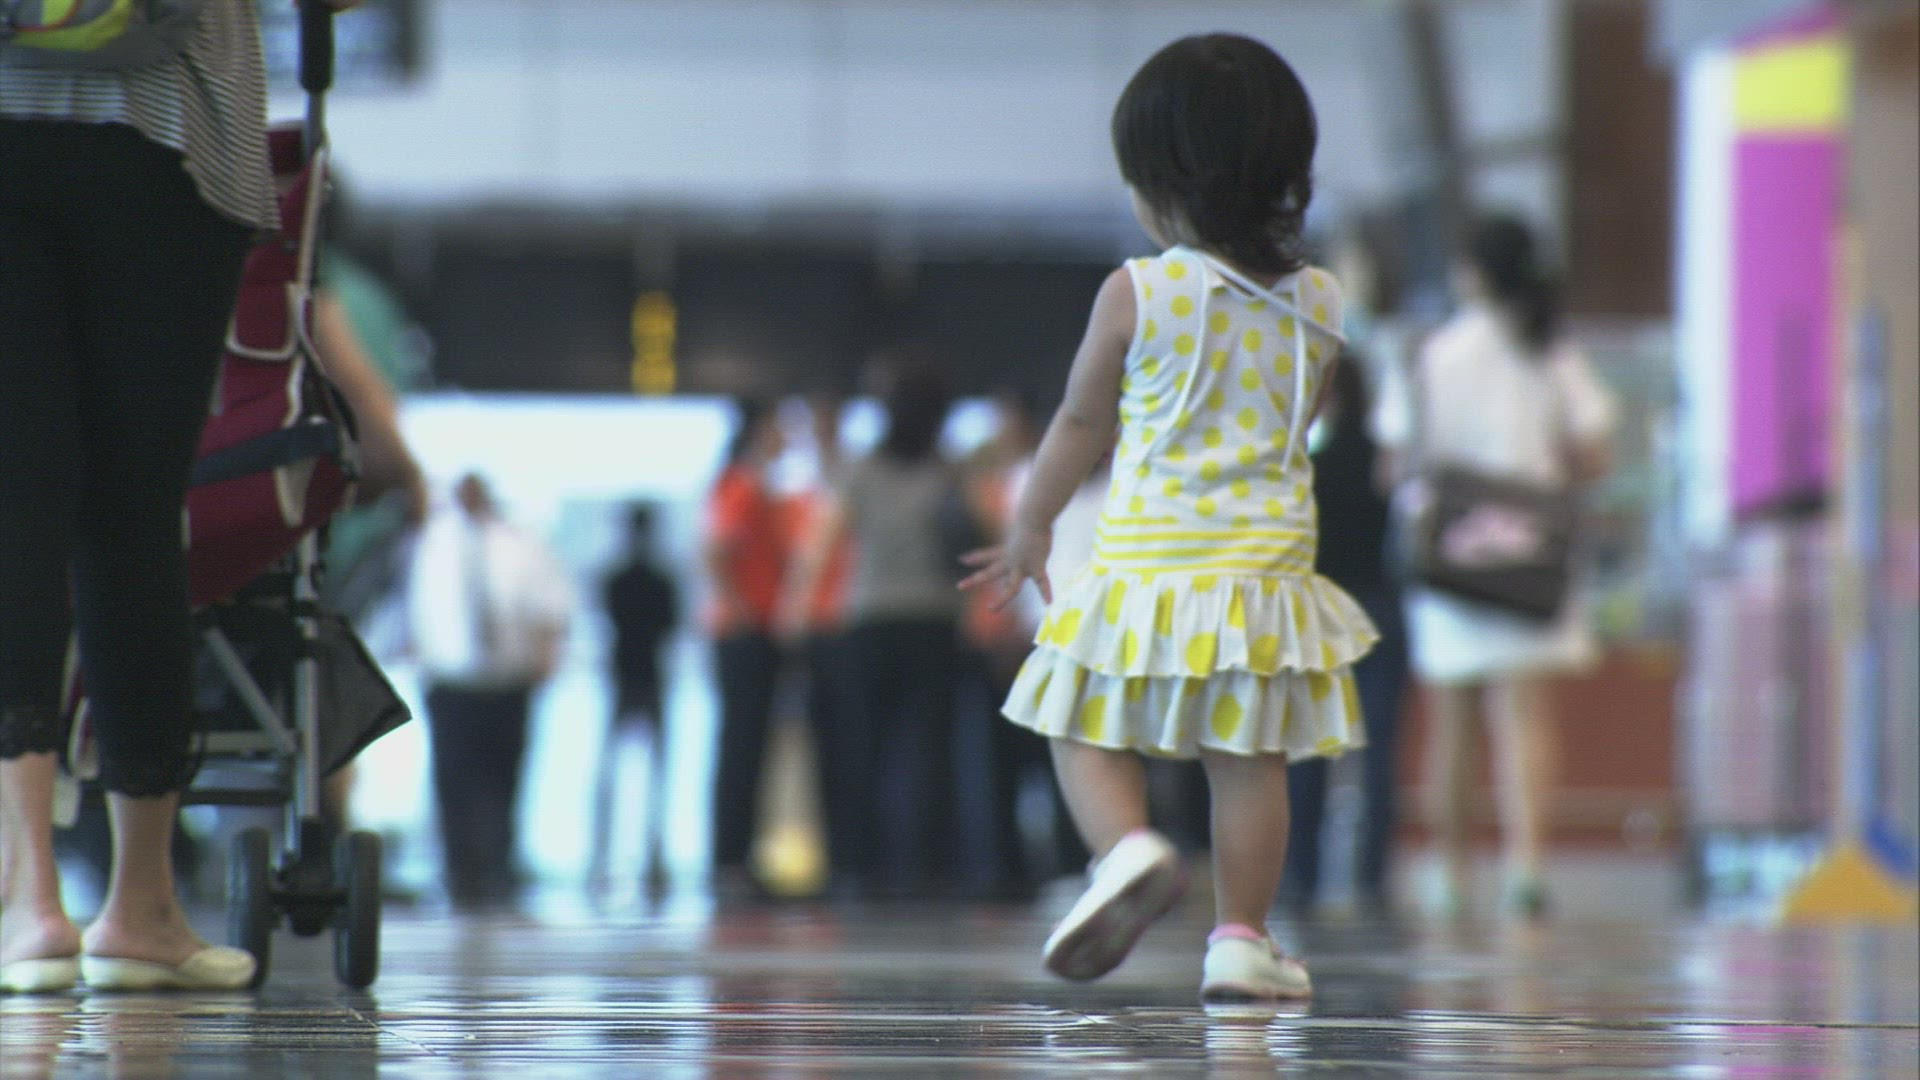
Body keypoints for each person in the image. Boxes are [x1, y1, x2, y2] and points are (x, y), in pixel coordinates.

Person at [961, 34, 1374, 1002]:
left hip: (1148, 561)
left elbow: (1081, 421)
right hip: (1263, 575)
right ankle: (1241, 941)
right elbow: (1300, 420)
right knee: (1249, 762)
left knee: (1078, 716)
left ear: (1168, 184)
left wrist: (1031, 526)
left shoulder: (1137, 292)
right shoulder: (1321, 303)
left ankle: (1127, 851)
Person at [0, 0, 360, 994]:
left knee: (13, 510)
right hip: (167, 136)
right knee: (135, 513)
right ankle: (141, 909)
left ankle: (26, 902)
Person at [1372, 216, 1616, 918]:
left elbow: (1394, 463)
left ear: (1471, 273)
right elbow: (1594, 454)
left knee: (1451, 723)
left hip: (1449, 550)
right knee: (1526, 717)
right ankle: (1525, 868)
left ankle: (1450, 873)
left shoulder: (1431, 351)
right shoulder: (1550, 350)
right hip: (1531, 552)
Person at [782, 363, 973, 899]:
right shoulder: (949, 471)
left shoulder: (861, 470)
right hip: (935, 622)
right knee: (931, 752)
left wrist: (796, 615)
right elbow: (983, 538)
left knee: (866, 748)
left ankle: (864, 869)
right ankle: (928, 868)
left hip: (870, 621)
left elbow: (821, 546)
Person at [1281, 351, 1411, 917]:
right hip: (1380, 610)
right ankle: (1371, 876)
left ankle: (1301, 874)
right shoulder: (1385, 461)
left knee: (1308, 750)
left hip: (1317, 613)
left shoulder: (1304, 467)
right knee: (1379, 753)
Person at [407, 473, 574, 910]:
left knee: (505, 776)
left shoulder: (520, 543)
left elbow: (549, 606)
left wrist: (546, 658)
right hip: (450, 681)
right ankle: (459, 871)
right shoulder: (431, 543)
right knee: (452, 779)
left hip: (508, 680)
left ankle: (500, 869)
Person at [703, 400, 792, 902]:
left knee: (750, 748)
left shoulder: (757, 484)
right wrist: (738, 609)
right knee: (740, 748)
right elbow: (715, 549)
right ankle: (731, 862)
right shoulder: (740, 484)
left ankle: (738, 858)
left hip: (755, 628)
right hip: (744, 633)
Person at [589, 504, 681, 900]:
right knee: (650, 770)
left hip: (628, 674)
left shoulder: (617, 578)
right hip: (644, 675)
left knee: (617, 769)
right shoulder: (658, 579)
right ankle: (644, 852)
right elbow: (670, 625)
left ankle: (606, 851)